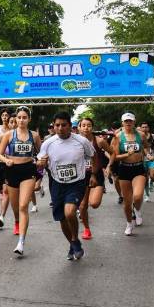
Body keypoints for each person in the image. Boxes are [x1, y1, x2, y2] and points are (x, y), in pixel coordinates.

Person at [36, 111, 94, 261]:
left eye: (64, 125)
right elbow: (39, 163)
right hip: (57, 183)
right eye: (57, 125)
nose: (60, 128)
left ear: (70, 126)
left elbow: (93, 156)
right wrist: (40, 164)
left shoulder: (81, 141)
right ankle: (72, 244)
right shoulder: (48, 143)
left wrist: (93, 175)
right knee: (62, 218)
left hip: (76, 183)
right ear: (54, 126)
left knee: (69, 213)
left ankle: (74, 239)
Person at [0, 106, 41, 256]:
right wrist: (6, 160)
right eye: (19, 117)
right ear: (16, 119)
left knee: (23, 206)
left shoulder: (34, 136)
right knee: (16, 207)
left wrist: (40, 163)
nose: (21, 120)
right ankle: (17, 221)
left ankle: (21, 242)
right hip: (12, 171)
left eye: (24, 117)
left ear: (29, 119)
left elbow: (41, 154)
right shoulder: (9, 135)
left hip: (28, 171)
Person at [111, 112, 148, 235]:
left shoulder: (141, 135)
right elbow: (115, 156)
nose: (128, 123)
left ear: (134, 122)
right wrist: (127, 154)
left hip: (138, 168)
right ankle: (129, 223)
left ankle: (137, 210)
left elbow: (146, 147)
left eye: (130, 121)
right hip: (124, 169)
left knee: (137, 196)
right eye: (126, 121)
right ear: (122, 123)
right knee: (127, 203)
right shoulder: (117, 137)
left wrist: (148, 154)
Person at [77, 117, 110, 240]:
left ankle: (97, 192)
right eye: (83, 125)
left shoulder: (99, 141)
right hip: (81, 176)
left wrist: (109, 167)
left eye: (89, 125)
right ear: (79, 127)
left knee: (94, 203)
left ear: (92, 127)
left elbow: (112, 153)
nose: (86, 128)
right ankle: (86, 229)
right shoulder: (74, 141)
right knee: (82, 205)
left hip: (96, 175)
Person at [139, 121, 154, 201]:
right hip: (142, 160)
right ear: (140, 128)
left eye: (146, 127)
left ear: (148, 128)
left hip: (152, 159)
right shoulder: (138, 137)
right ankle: (147, 195)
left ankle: (152, 183)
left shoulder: (153, 136)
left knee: (153, 176)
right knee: (145, 178)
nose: (144, 128)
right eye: (143, 127)